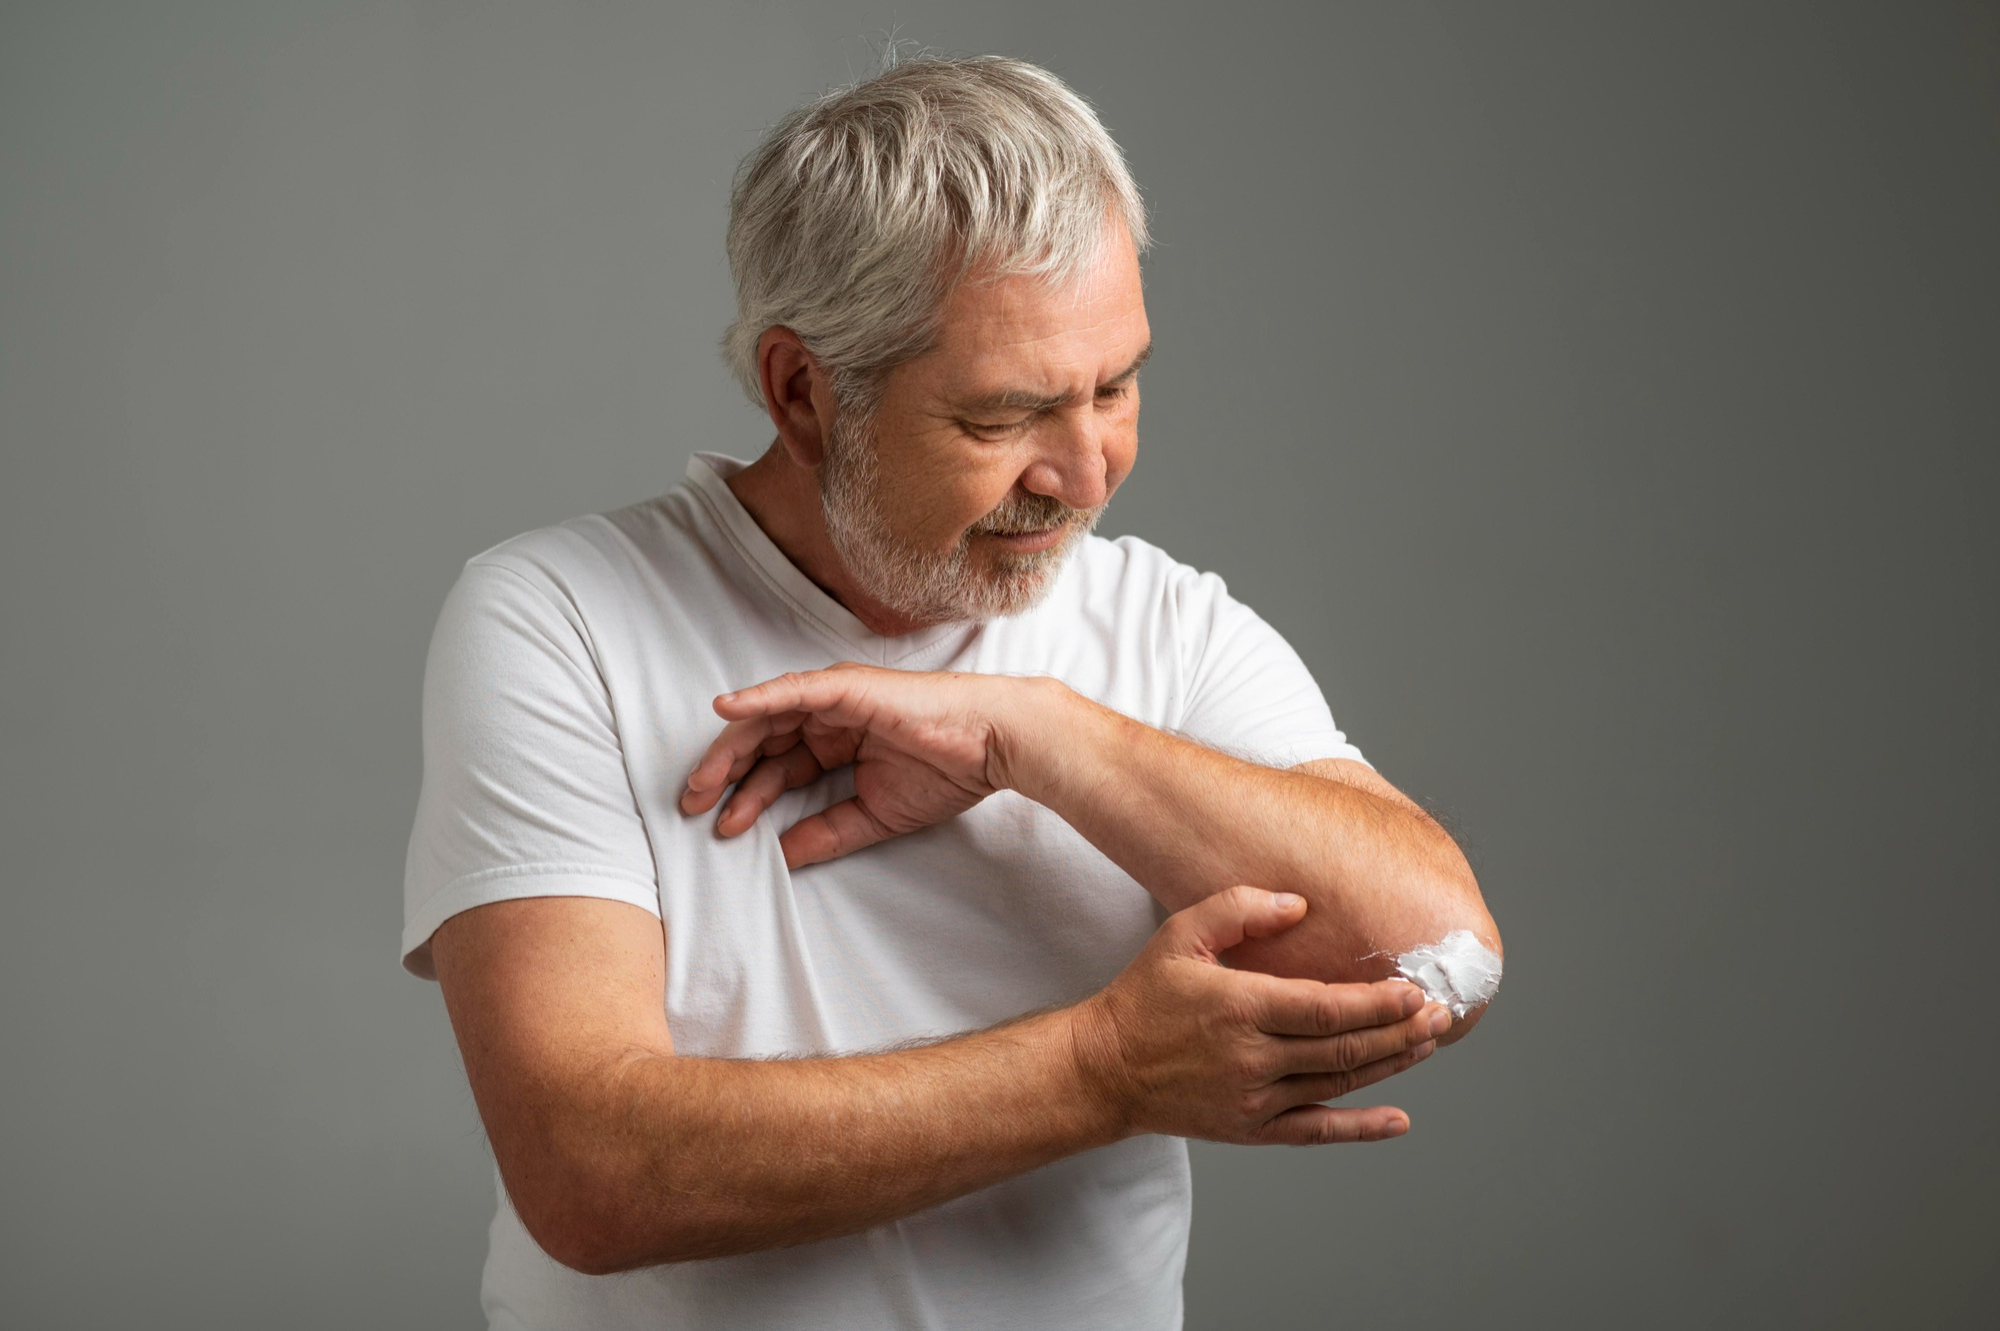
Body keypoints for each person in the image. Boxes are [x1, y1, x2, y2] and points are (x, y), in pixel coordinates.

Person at [402, 52, 1501, 1331]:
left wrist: (1037, 734)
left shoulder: (1166, 622)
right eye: (1003, 417)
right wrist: (1100, 1069)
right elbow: (588, 1169)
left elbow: (1443, 955)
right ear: (802, 392)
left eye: (1116, 385)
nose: (1085, 474)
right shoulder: (560, 618)